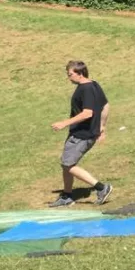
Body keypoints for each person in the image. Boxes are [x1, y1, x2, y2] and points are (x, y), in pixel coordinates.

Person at [49, 60, 113, 207]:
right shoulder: (94, 84)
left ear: (80, 73)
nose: (69, 77)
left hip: (81, 135)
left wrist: (64, 123)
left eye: (70, 74)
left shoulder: (86, 89)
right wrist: (102, 127)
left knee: (68, 165)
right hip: (85, 133)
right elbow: (106, 105)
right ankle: (67, 195)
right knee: (67, 163)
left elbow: (87, 113)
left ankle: (101, 188)